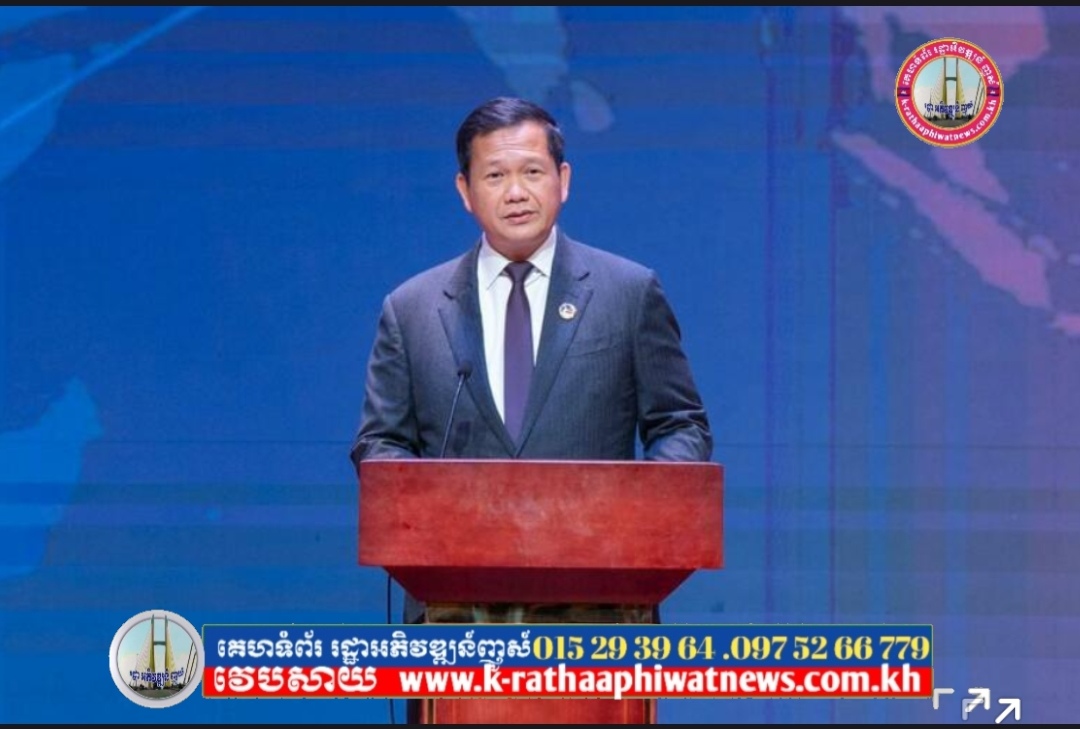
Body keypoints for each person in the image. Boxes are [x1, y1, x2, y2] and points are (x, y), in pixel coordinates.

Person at [350, 94, 711, 614]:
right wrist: (434, 511)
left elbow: (681, 426)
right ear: (465, 191)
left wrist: (633, 510)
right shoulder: (412, 309)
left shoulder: (628, 293)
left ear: (563, 180)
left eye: (532, 172)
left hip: (599, 608)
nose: (516, 192)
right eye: (495, 176)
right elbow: (380, 443)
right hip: (455, 610)